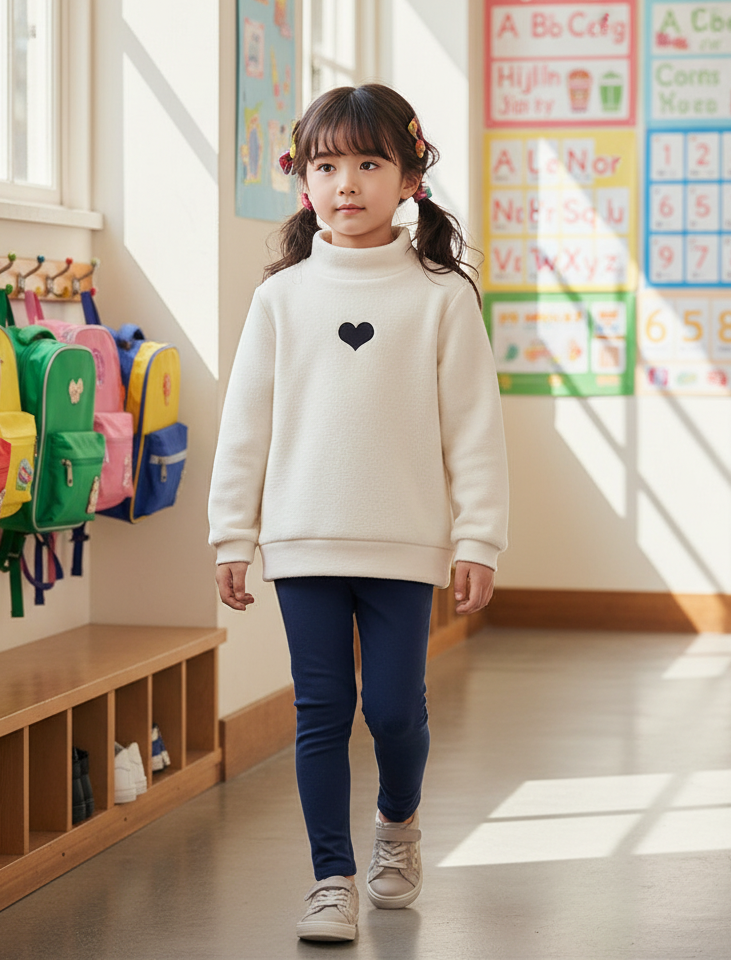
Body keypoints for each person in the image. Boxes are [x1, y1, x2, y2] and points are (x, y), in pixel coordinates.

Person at [208, 83, 509, 942]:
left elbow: (474, 430)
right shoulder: (281, 299)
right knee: (321, 709)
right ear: (302, 181)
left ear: (410, 179)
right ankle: (331, 876)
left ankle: (399, 825)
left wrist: (478, 537)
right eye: (326, 164)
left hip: (406, 543)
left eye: (370, 164)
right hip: (301, 541)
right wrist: (232, 532)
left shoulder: (442, 296)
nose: (347, 182)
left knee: (395, 712)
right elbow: (245, 430)